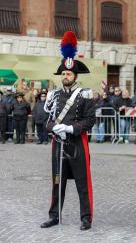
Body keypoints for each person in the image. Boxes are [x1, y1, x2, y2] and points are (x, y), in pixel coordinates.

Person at [40, 31, 95, 231]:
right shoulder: (53, 95)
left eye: (69, 74)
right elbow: (45, 119)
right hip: (58, 143)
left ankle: (86, 217)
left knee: (82, 182)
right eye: (63, 74)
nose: (65, 76)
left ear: (75, 76)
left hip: (77, 143)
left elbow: (90, 120)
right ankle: (54, 215)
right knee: (57, 182)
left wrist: (70, 128)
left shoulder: (85, 95)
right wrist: (54, 127)